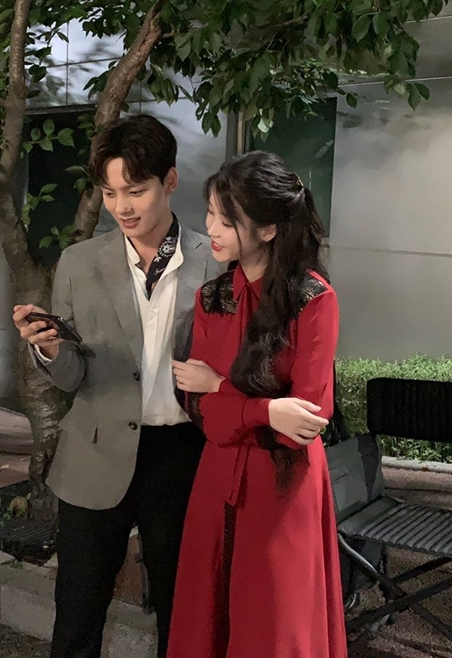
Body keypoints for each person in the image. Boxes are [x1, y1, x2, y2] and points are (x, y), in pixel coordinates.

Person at [12, 116, 332, 658]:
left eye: (135, 191)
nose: (122, 207)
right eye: (109, 193)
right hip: (95, 452)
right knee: (77, 615)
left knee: (184, 615)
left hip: (185, 455)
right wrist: (48, 349)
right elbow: (73, 377)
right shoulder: (79, 263)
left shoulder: (219, 260)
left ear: (170, 181)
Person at [168, 151, 348, 658]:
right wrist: (266, 410)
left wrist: (220, 388)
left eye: (227, 221)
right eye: (210, 214)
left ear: (268, 229)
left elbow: (305, 422)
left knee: (274, 624)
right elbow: (200, 412)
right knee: (206, 617)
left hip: (283, 486)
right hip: (217, 473)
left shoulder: (314, 300)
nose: (212, 229)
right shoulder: (211, 298)